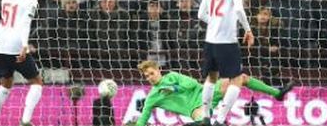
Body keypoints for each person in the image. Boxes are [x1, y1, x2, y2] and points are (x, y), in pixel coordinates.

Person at [126, 60, 294, 126]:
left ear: (158, 70)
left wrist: (174, 88)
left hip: (205, 93)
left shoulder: (172, 76)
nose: (149, 77)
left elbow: (192, 84)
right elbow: (143, 119)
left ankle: (276, 93)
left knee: (240, 77)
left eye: (151, 73)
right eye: (146, 76)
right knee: (202, 122)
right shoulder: (152, 97)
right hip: (195, 108)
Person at [197, 0, 254, 126]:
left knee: (211, 78)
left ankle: (205, 116)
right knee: (236, 79)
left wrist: (215, 22)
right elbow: (238, 9)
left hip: (210, 41)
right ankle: (220, 119)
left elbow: (201, 15)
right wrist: (248, 29)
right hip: (227, 42)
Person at [0, 0, 43, 126]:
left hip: (2, 45)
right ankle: (25, 120)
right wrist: (24, 46)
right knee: (37, 82)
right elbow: (25, 24)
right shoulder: (31, 1)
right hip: (17, 46)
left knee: (5, 84)